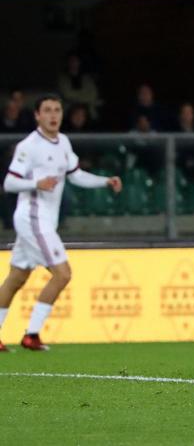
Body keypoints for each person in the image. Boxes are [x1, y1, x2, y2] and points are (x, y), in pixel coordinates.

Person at [0, 95, 122, 351]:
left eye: (57, 110)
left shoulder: (63, 142)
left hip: (43, 220)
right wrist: (36, 183)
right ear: (37, 115)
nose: (53, 115)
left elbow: (75, 175)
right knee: (63, 273)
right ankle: (31, 334)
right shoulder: (29, 146)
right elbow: (9, 183)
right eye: (47, 110)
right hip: (33, 218)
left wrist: (105, 181)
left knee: (16, 278)